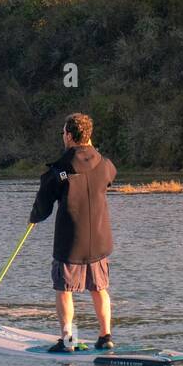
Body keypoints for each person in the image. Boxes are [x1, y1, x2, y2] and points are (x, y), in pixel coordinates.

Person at [28, 112, 117, 352]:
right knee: (99, 288)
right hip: (99, 241)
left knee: (64, 289)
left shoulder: (61, 170)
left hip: (71, 241)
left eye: (63, 133)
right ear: (89, 136)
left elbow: (45, 198)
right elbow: (107, 176)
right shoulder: (104, 164)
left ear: (68, 135)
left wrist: (34, 216)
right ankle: (105, 336)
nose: (62, 137)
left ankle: (68, 338)